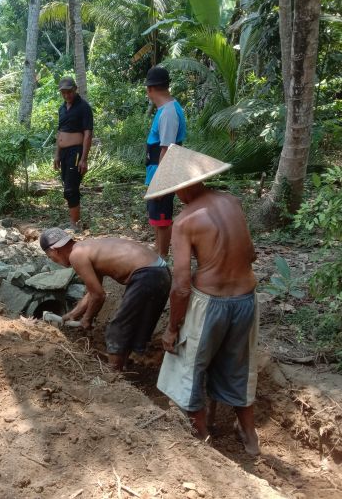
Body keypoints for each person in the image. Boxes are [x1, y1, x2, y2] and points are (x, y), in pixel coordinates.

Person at [147, 144, 260, 456]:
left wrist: (172, 329)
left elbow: (182, 286)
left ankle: (201, 433)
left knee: (189, 367)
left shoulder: (185, 222)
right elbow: (251, 253)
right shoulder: (232, 202)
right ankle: (249, 435)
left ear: (181, 188)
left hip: (210, 303)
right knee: (239, 364)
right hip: (247, 299)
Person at [39, 228, 171, 371]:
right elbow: (92, 292)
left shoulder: (76, 255)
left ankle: (112, 375)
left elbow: (99, 295)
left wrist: (87, 318)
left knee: (117, 329)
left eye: (51, 258)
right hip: (160, 272)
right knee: (130, 326)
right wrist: (74, 314)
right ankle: (122, 368)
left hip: (147, 275)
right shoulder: (86, 248)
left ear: (54, 250)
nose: (55, 261)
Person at [144, 67, 186, 258]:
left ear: (150, 89)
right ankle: (157, 249)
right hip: (155, 170)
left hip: (163, 172)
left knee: (162, 217)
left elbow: (167, 150)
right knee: (155, 214)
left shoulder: (169, 112)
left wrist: (161, 183)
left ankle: (162, 256)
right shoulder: (166, 109)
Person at [55, 77, 93, 230]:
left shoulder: (83, 107)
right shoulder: (62, 108)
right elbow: (60, 133)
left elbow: (88, 134)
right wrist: (57, 154)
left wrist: (84, 159)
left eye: (69, 92)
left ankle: (75, 224)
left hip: (76, 152)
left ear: (75, 89)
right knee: (67, 185)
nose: (66, 95)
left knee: (71, 188)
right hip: (63, 153)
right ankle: (74, 221)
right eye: (63, 92)